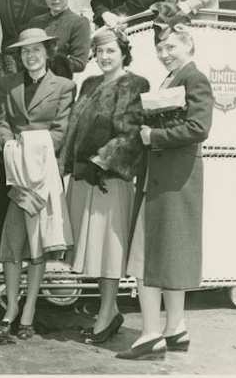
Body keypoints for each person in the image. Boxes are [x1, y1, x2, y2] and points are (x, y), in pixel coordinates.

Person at [118, 20, 213, 360]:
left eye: (171, 46)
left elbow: (199, 127)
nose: (164, 53)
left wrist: (152, 137)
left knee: (147, 258)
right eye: (160, 47)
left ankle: (150, 335)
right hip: (166, 180)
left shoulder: (194, 78)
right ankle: (175, 328)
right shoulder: (176, 78)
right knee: (169, 255)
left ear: (189, 45)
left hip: (172, 181)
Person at [60, 27, 149, 344]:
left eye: (111, 50)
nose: (104, 56)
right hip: (85, 178)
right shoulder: (90, 83)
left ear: (123, 51)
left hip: (108, 180)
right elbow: (74, 128)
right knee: (95, 252)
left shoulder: (134, 84)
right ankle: (107, 312)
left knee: (108, 252)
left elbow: (131, 134)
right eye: (99, 52)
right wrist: (69, 165)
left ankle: (108, 313)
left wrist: (102, 162)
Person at [0, 28, 75, 339]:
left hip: (42, 175)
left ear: (47, 52)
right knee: (12, 244)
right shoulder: (7, 84)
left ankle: (29, 310)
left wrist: (31, 150)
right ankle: (11, 308)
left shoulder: (64, 86)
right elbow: (1, 122)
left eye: (36, 50)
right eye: (25, 51)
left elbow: (60, 129)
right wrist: (11, 147)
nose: (31, 56)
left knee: (38, 244)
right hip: (14, 174)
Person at [30, 0, 92, 78]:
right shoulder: (35, 22)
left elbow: (79, 63)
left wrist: (43, 63)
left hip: (62, 83)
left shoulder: (79, 23)